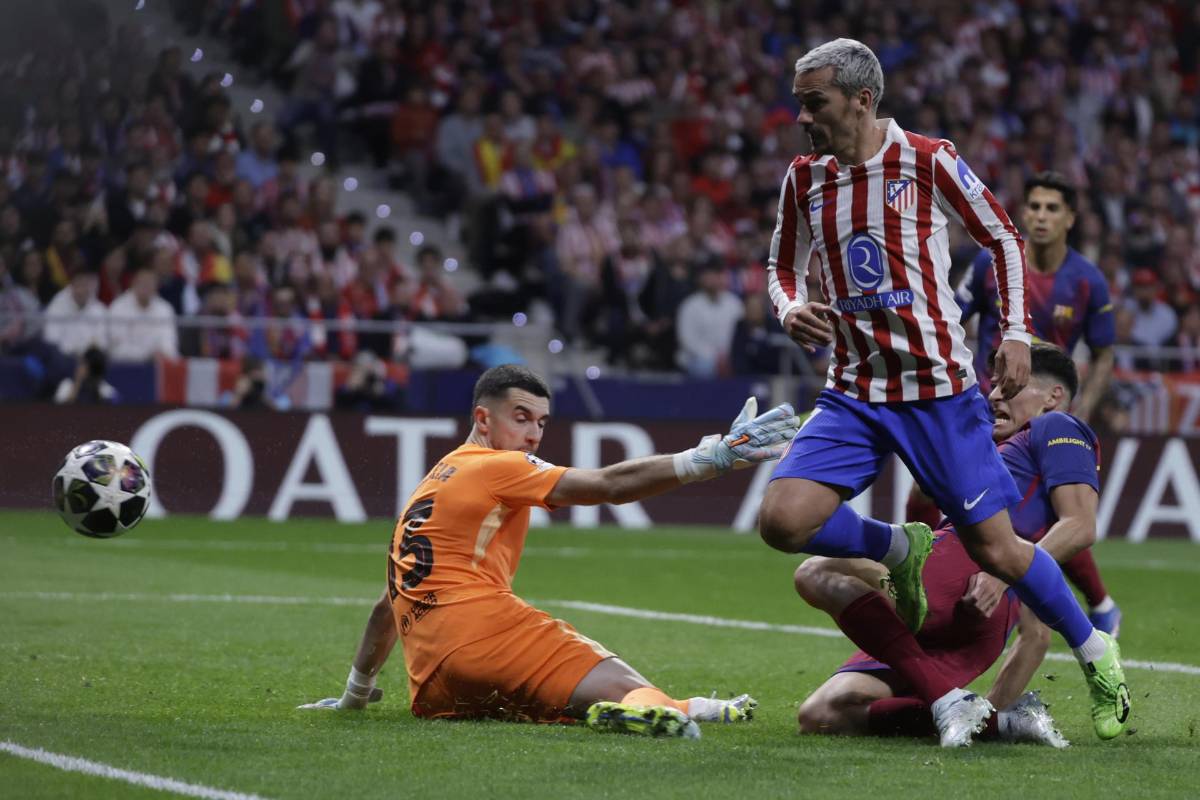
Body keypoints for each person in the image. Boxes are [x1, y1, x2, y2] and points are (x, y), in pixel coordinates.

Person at [758, 38, 1127, 743]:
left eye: (815, 103)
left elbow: (1003, 238)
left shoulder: (928, 160)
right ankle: (901, 547)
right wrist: (787, 306)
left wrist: (1016, 332)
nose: (802, 117)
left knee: (998, 551)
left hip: (938, 393)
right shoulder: (804, 179)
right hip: (855, 391)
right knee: (782, 520)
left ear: (862, 100)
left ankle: (1094, 651)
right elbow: (780, 266)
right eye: (800, 103)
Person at [301, 364, 802, 739]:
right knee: (627, 688)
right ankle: (655, 709)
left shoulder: (433, 481)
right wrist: (710, 458)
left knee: (568, 700)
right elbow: (608, 484)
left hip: (433, 684)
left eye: (541, 422)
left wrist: (355, 696)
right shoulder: (500, 466)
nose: (533, 434)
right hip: (485, 636)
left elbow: (387, 600)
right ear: (483, 418)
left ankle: (703, 707)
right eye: (521, 418)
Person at [795, 344, 1105, 747]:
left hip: (965, 586)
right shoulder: (988, 453)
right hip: (949, 600)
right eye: (994, 387)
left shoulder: (1054, 429)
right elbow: (1037, 631)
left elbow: (1078, 527)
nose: (995, 395)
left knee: (819, 571)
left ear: (1053, 396)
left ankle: (948, 699)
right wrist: (997, 708)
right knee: (822, 715)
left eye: (1012, 386)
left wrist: (1003, 577)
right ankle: (1002, 722)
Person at [956, 172, 1114, 423]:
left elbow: (1104, 355)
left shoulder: (1089, 281)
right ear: (1025, 213)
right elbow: (949, 321)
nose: (1041, 216)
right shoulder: (990, 262)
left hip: (1045, 419)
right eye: (1035, 206)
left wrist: (1082, 412)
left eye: (1052, 208)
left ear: (1070, 218)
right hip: (985, 413)